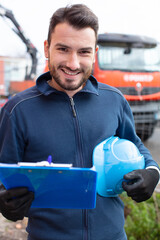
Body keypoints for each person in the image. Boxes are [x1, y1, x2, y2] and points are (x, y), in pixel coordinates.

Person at [0, 4, 159, 240]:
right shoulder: (18, 110)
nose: (73, 64)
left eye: (84, 52)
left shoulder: (114, 100)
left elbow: (135, 144)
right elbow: (4, 173)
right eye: (63, 49)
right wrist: (4, 200)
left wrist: (152, 171)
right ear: (47, 48)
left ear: (94, 53)